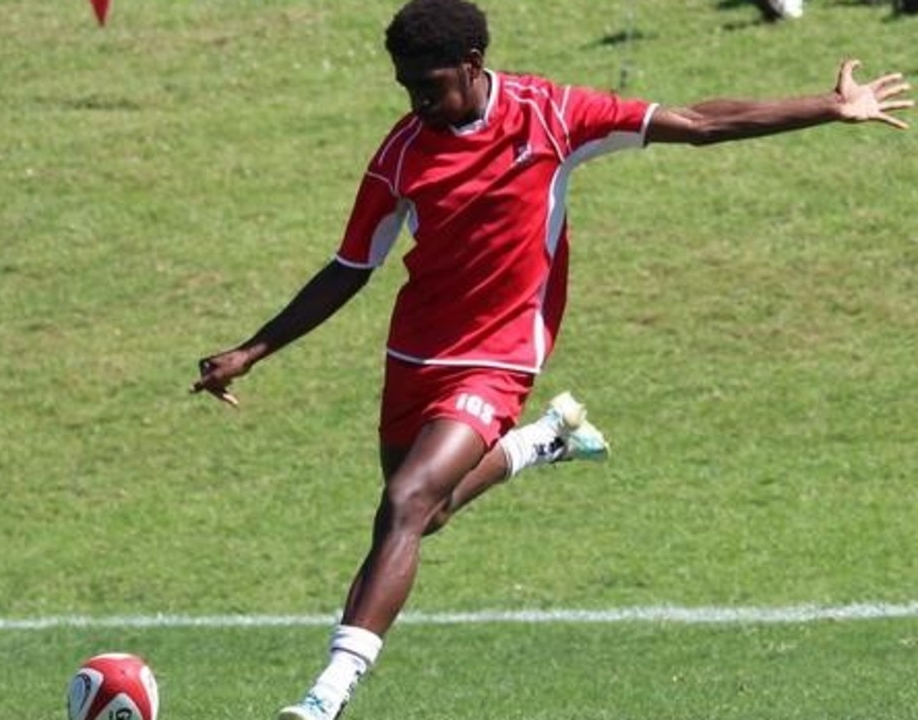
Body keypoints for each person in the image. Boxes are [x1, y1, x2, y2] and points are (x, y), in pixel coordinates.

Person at [191, 1, 912, 718]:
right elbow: (351, 265)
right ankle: (542, 442)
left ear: (472, 66)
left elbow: (696, 123)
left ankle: (325, 696)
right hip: (416, 353)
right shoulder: (402, 152)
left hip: (498, 355)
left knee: (405, 503)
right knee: (428, 511)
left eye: (430, 85)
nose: (417, 102)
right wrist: (252, 350)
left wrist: (827, 106)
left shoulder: (550, 114)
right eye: (405, 86)